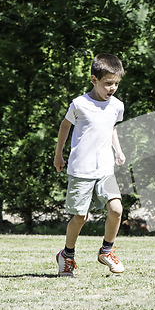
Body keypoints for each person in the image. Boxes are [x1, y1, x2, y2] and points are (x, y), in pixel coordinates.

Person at [53, 53, 126, 277]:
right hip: (81, 170)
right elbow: (65, 126)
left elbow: (110, 127)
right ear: (94, 80)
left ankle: (107, 251)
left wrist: (118, 150)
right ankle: (67, 255)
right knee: (81, 217)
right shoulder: (79, 104)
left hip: (105, 169)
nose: (112, 88)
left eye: (116, 83)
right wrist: (59, 155)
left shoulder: (117, 106)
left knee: (116, 209)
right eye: (108, 83)